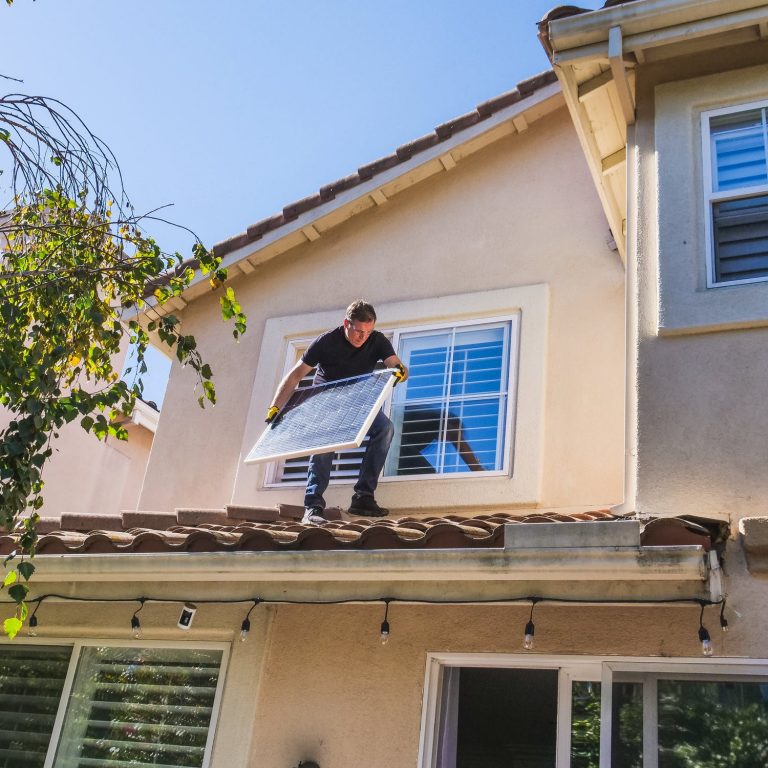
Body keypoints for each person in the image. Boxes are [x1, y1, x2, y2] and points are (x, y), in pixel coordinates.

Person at [265, 300, 407, 524]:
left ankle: (363, 497)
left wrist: (400, 371)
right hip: (327, 400)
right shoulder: (326, 342)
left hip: (358, 399)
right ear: (346, 324)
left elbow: (395, 363)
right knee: (324, 442)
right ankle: (313, 507)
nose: (363, 337)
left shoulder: (377, 340)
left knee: (385, 428)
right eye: (359, 331)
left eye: (368, 332)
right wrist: (276, 407)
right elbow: (295, 375)